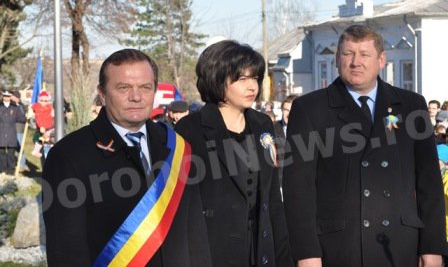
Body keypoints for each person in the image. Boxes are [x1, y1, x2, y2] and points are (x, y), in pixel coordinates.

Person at [283, 25, 447, 267]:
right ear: (337, 59)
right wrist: (306, 254)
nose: (355, 62)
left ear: (382, 60)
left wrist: (432, 247)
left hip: (399, 246)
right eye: (348, 53)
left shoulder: (411, 106)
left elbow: (429, 184)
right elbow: (298, 189)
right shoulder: (310, 109)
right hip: (339, 248)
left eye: (365, 54)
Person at [42, 49, 211, 267]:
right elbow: (66, 250)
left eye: (145, 87)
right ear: (102, 93)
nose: (136, 97)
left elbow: (195, 232)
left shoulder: (176, 145)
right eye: (123, 88)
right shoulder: (68, 155)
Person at [175, 40, 293, 267]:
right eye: (242, 79)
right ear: (217, 79)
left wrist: (283, 256)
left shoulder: (262, 125)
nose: (252, 87)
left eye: (255, 78)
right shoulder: (190, 130)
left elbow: (271, 198)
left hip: (261, 248)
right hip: (213, 251)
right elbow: (183, 207)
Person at [0, 90, 26, 174]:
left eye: (8, 96)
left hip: (11, 132)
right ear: (3, 97)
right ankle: (3, 170)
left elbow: (21, 119)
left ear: (10, 97)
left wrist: (27, 116)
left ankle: (11, 170)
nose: (6, 98)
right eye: (5, 96)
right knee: (2, 153)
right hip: (1, 131)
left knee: (11, 153)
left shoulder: (15, 108)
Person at [31, 91, 54, 158]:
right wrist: (41, 126)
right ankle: (36, 150)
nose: (43, 102)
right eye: (42, 100)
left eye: (45, 101)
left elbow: (53, 115)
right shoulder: (37, 107)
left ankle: (38, 151)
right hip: (42, 127)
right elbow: (37, 118)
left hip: (49, 128)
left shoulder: (50, 108)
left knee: (46, 142)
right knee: (40, 140)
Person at [11, 90, 27, 168]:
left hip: (19, 130)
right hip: (11, 129)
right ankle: (14, 162)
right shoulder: (11, 105)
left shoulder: (21, 106)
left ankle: (22, 163)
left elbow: (23, 117)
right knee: (12, 148)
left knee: (19, 147)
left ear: (17, 98)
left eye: (13, 96)